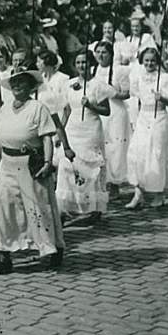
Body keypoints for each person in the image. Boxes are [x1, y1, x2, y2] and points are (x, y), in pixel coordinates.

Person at [0, 69, 63, 275]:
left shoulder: (38, 108)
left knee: (38, 208)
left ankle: (52, 248)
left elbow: (47, 137)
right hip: (8, 165)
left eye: (23, 82)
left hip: (31, 163)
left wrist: (48, 162)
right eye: (15, 82)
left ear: (31, 86)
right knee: (2, 208)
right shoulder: (3, 110)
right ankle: (4, 256)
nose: (18, 85)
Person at [56, 50, 114, 225]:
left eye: (85, 62)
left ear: (92, 64)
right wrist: (61, 132)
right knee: (68, 166)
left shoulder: (98, 85)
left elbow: (106, 111)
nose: (82, 66)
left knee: (90, 169)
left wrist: (91, 104)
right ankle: (64, 209)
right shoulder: (70, 84)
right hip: (73, 129)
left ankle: (94, 208)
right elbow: (66, 110)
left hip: (90, 130)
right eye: (79, 63)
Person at [126, 47, 168, 209]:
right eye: (146, 60)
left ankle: (159, 194)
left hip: (159, 119)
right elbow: (139, 100)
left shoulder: (165, 78)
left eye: (152, 60)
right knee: (135, 154)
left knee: (155, 156)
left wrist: (161, 97)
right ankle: (138, 193)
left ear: (157, 62)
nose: (149, 63)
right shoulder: (139, 78)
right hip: (143, 118)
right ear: (142, 61)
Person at [92, 41, 130, 198]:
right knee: (100, 145)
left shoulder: (118, 71)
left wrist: (111, 93)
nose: (101, 55)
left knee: (115, 147)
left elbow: (127, 93)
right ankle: (102, 182)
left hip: (115, 112)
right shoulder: (94, 69)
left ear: (111, 54)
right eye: (98, 52)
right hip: (99, 111)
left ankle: (114, 183)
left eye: (104, 52)